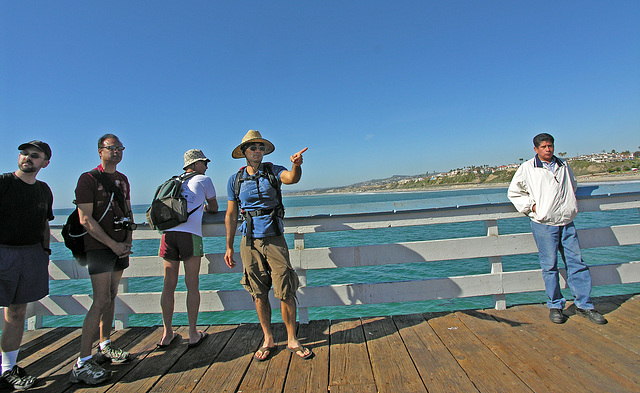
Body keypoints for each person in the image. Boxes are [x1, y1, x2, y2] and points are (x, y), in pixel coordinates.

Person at [224, 130, 313, 361]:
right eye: (253, 147)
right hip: (248, 240)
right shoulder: (235, 180)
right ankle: (268, 338)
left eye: (260, 147)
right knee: (258, 292)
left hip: (274, 236)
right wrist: (229, 246)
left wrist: (297, 165)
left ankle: (292, 338)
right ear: (244, 152)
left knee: (285, 289)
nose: (257, 151)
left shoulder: (273, 171)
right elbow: (231, 214)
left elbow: (292, 179)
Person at [508, 133, 607, 325]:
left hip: (567, 222)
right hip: (544, 224)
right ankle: (555, 306)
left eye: (550, 146)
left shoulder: (563, 165)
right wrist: (534, 208)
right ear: (535, 149)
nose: (548, 149)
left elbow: (573, 185)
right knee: (550, 266)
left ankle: (584, 305)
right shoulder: (527, 168)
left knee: (577, 263)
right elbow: (514, 192)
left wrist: (569, 205)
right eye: (544, 147)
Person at [70, 134, 134, 385]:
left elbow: (127, 210)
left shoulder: (122, 179)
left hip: (120, 246)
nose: (117, 152)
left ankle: (105, 344)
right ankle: (82, 363)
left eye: (120, 148)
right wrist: (113, 244)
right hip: (98, 247)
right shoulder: (87, 179)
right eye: (112, 148)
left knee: (111, 295)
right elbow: (85, 219)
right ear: (100, 151)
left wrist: (127, 241)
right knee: (100, 300)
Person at [0, 141, 53, 390]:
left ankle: (7, 369)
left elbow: (44, 223)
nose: (27, 158)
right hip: (3, 252)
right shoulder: (4, 183)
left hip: (31, 254)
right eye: (24, 153)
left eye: (34, 155)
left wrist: (44, 252)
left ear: (45, 162)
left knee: (17, 311)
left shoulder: (44, 191)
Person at [158, 149, 218, 349]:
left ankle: (167, 334)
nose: (207, 166)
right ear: (195, 165)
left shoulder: (174, 181)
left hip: (168, 235)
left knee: (169, 285)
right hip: (189, 235)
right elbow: (214, 207)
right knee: (192, 284)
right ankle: (193, 333)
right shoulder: (204, 180)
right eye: (204, 162)